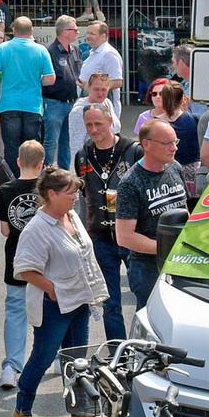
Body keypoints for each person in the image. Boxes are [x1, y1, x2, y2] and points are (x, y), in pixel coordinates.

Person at [10, 166, 107, 417]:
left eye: (77, 191)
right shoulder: (37, 228)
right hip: (53, 306)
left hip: (79, 301)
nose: (76, 196)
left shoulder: (72, 216)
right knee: (42, 358)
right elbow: (24, 269)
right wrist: (51, 289)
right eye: (70, 192)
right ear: (51, 194)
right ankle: (22, 411)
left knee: (77, 361)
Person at [73, 102, 140, 343]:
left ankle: (144, 350)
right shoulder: (83, 155)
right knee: (110, 303)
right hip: (101, 237)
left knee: (143, 298)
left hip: (133, 236)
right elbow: (82, 198)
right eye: (89, 124)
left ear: (110, 121)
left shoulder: (132, 150)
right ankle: (118, 357)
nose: (93, 129)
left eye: (98, 123)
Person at [0, 139, 44, 392]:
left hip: (16, 259)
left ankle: (12, 365)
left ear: (18, 161)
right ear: (42, 164)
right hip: (45, 261)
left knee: (15, 311)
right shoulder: (47, 189)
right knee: (48, 311)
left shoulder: (5, 189)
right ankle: (48, 359)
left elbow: (4, 229)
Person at [116, 118, 188, 307]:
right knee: (152, 324)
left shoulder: (175, 167)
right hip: (147, 269)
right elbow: (124, 237)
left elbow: (185, 210)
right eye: (167, 143)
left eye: (175, 142)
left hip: (179, 262)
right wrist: (166, 248)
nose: (174, 148)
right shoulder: (130, 183)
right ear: (146, 144)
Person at [0, 17, 55, 170]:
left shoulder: (3, 48)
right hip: (33, 106)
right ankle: (30, 182)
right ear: (31, 31)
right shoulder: (41, 50)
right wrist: (37, 80)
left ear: (14, 31)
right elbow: (50, 79)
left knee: (11, 149)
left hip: (8, 105)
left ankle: (13, 182)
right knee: (31, 149)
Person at [43, 15, 82, 171]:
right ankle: (47, 172)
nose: (77, 32)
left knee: (67, 140)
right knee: (51, 141)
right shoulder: (50, 52)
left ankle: (65, 172)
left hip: (72, 102)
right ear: (65, 31)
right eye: (75, 29)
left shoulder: (75, 50)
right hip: (54, 103)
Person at [78, 21, 124, 117]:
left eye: (92, 34)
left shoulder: (109, 54)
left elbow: (118, 82)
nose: (88, 36)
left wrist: (90, 88)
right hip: (91, 105)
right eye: (87, 33)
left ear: (103, 36)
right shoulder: (93, 52)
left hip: (103, 110)